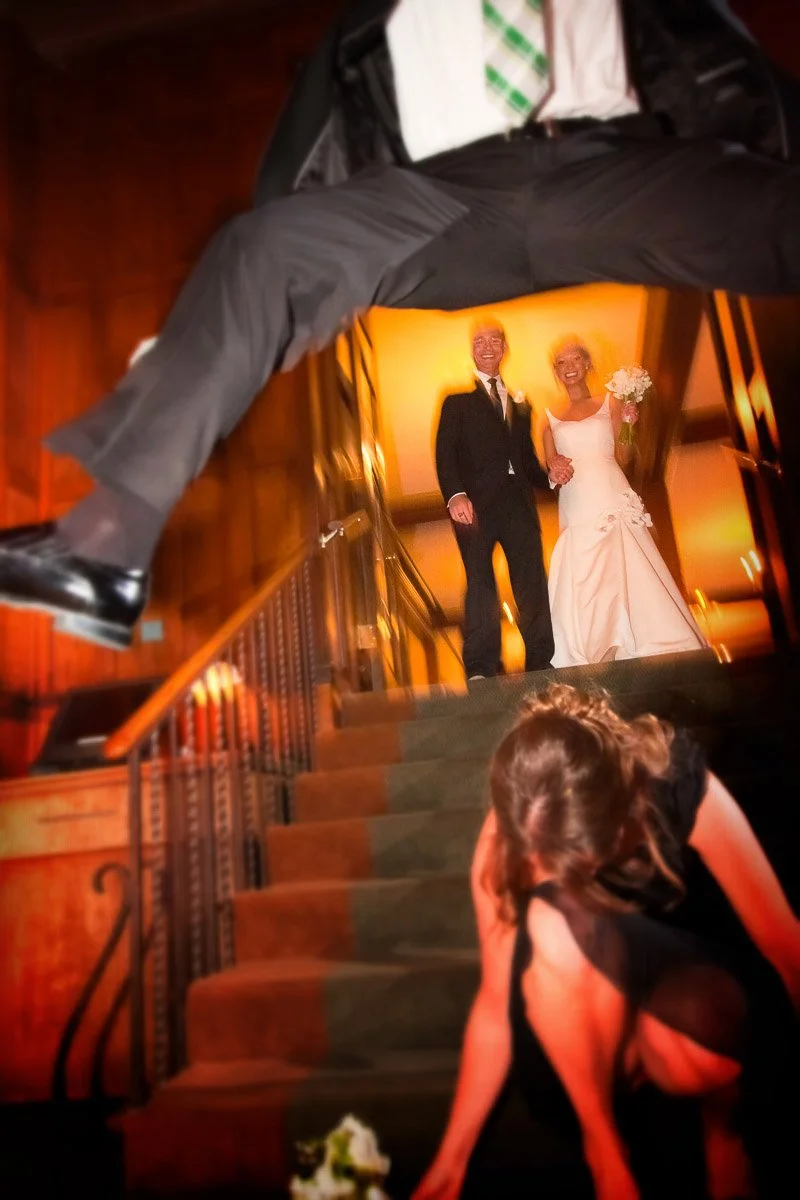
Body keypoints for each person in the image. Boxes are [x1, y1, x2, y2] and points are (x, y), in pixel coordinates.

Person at [0, 0, 799, 649]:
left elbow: (727, 75)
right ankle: (104, 545)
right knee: (260, 247)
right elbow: (291, 209)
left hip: (604, 162)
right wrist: (212, 339)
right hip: (447, 194)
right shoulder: (363, 30)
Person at [412, 683, 800, 1200]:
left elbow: (781, 938)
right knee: (553, 922)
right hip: (570, 1028)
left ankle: (723, 1130)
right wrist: (451, 1159)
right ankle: (606, 1152)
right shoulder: (507, 836)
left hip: (669, 995)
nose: (541, 869)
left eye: (568, 857)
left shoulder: (670, 780)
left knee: (703, 1049)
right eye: (533, 858)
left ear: (613, 817)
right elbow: (494, 1001)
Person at [543, 338, 707, 667]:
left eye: (576, 359)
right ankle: (594, 643)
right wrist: (555, 469)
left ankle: (636, 637)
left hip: (607, 486)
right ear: (556, 372)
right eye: (561, 362)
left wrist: (630, 423)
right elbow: (549, 464)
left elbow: (625, 452)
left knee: (621, 558)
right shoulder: (548, 419)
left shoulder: (609, 404)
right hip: (576, 498)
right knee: (585, 567)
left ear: (588, 364)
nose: (569, 367)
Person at [434, 322, 573, 680]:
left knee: (531, 579)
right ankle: (481, 666)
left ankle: (541, 660)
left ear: (504, 348)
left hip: (518, 504)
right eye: (479, 341)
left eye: (494, 340)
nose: (487, 346)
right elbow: (445, 453)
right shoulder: (457, 403)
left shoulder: (520, 404)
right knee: (480, 581)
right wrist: (455, 494)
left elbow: (526, 461)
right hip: (474, 506)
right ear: (472, 351)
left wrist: (551, 478)